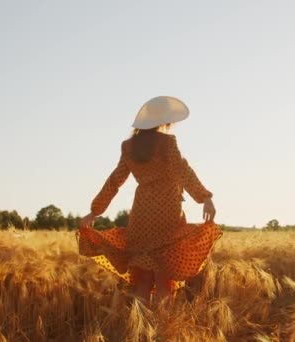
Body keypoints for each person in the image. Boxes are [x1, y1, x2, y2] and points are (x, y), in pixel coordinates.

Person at [77, 96, 222, 304]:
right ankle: (161, 327)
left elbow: (115, 181)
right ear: (163, 120)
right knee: (164, 277)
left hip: (142, 213)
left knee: (143, 278)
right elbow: (183, 170)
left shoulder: (128, 147)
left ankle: (141, 327)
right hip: (167, 211)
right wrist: (204, 197)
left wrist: (95, 211)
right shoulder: (167, 143)